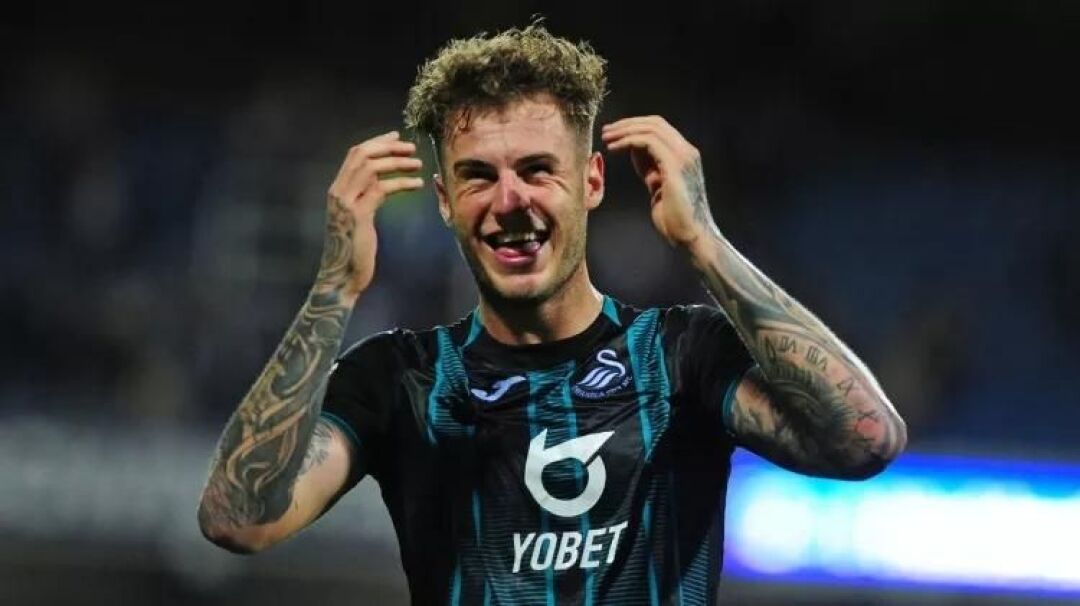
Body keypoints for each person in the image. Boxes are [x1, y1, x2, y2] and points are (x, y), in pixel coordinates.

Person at [197, 24, 907, 605]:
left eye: (537, 169)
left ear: (591, 181)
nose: (510, 201)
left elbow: (865, 440)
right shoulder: (399, 379)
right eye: (478, 176)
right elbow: (237, 519)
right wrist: (335, 287)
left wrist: (705, 242)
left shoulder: (682, 356)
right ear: (444, 201)